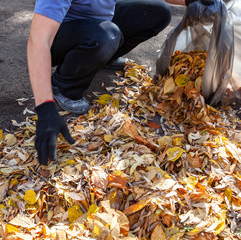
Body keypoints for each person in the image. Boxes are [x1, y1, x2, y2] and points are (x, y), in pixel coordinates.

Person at [27, 0, 215, 165]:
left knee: (158, 12)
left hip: (98, 25)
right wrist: (45, 107)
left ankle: (103, 54)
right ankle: (64, 86)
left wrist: (190, 0)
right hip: (60, 36)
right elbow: (39, 39)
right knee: (107, 35)